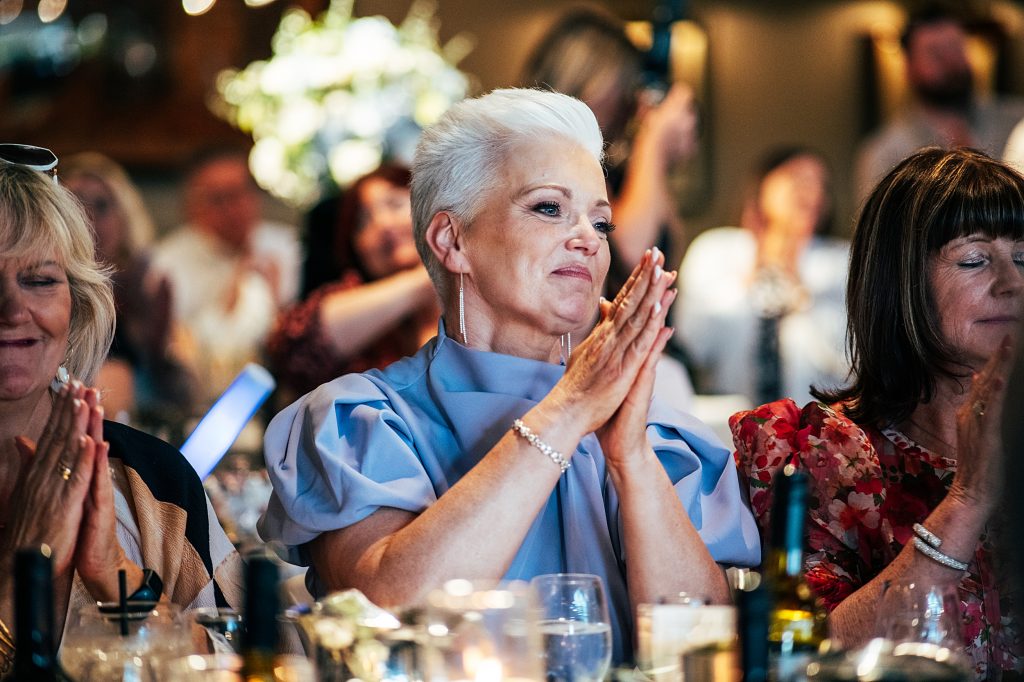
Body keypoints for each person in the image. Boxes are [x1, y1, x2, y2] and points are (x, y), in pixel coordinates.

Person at [259, 89, 760, 663]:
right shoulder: (360, 422)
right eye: (549, 208)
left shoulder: (659, 438)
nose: (588, 241)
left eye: (600, 222)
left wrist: (631, 459)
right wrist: (567, 410)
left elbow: (701, 653)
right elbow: (393, 611)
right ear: (453, 241)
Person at [732, 148, 1024, 679]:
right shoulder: (819, 453)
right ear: (901, 280)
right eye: (975, 259)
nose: (1013, 282)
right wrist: (969, 498)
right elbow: (807, 659)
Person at [0, 152, 242, 662]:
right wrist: (22, 574)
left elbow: (241, 665)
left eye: (40, 280)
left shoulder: (154, 482)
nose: (12, 309)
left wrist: (117, 575)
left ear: (77, 305)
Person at [522, 9, 699, 296]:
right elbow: (631, 258)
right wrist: (653, 142)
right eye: (622, 85)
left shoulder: (606, 164)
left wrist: (658, 157)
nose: (628, 100)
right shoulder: (544, 159)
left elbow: (666, 254)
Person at [674, 147, 848, 406]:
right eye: (797, 177)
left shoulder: (841, 262)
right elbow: (694, 344)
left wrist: (799, 287)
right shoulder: (715, 250)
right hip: (730, 421)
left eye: (821, 184)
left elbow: (848, 362)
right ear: (764, 184)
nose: (811, 191)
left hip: (817, 425)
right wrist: (755, 269)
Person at [268, 165, 438, 403]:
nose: (382, 225)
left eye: (395, 205)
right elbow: (296, 352)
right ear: (356, 248)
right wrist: (428, 278)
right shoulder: (349, 299)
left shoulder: (484, 296)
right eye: (363, 221)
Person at [151, 148, 301, 409]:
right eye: (218, 199)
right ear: (192, 207)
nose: (233, 208)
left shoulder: (290, 248)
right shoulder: (166, 263)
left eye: (240, 193)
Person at [61, 153, 193, 427]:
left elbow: (183, 398)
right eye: (74, 203)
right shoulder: (47, 289)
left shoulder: (146, 286)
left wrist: (161, 351)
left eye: (101, 204)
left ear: (124, 216)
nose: (87, 216)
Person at [854, 5, 1024, 204]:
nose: (950, 61)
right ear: (909, 67)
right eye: (935, 53)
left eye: (955, 48)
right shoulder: (885, 153)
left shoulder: (1016, 119)